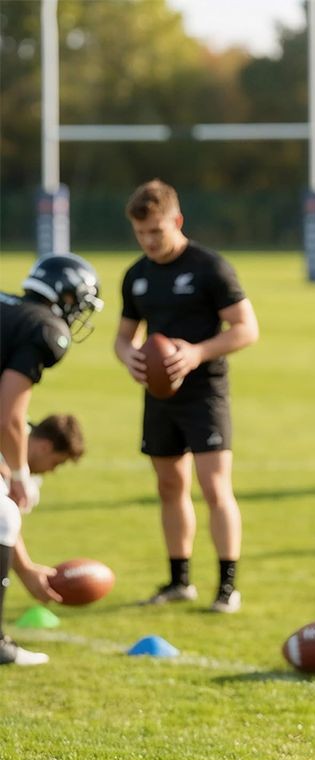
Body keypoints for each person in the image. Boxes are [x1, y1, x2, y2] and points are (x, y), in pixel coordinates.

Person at [114, 179, 259, 614]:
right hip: (159, 395)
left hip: (205, 393)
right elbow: (123, 339)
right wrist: (131, 359)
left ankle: (227, 587)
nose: (149, 241)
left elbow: (247, 329)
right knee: (168, 485)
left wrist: (195, 353)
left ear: (176, 221)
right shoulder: (136, 276)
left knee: (215, 487)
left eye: (156, 231)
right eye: (141, 233)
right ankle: (179, 581)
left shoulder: (210, 267)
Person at [1, 254, 103, 666]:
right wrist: (21, 475)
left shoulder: (7, 304)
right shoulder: (45, 328)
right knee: (6, 514)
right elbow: (8, 411)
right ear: (66, 295)